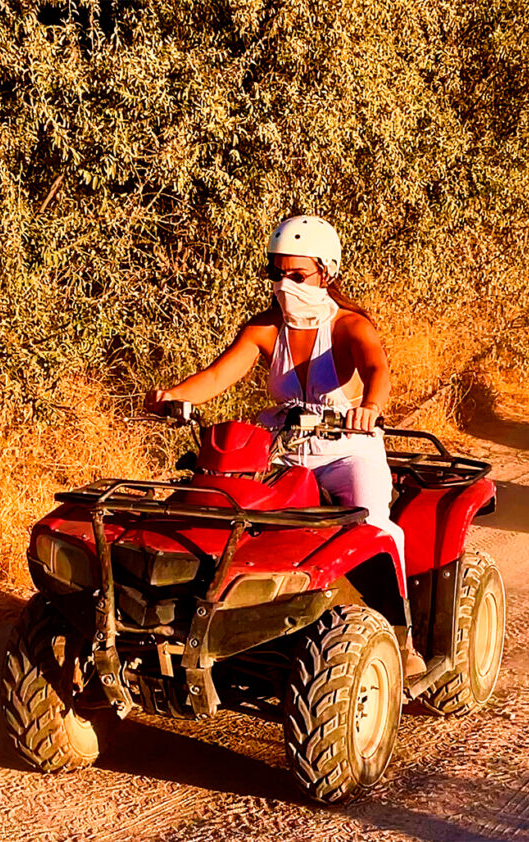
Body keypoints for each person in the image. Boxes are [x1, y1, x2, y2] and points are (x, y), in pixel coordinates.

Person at [145, 215, 427, 677]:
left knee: (373, 526)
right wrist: (174, 396)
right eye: (276, 274)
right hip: (281, 450)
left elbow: (378, 370)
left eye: (297, 275)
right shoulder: (265, 328)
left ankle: (401, 637)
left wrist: (370, 407)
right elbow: (217, 376)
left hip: (347, 450)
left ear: (326, 272)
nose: (284, 285)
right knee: (230, 519)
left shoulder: (349, 326)